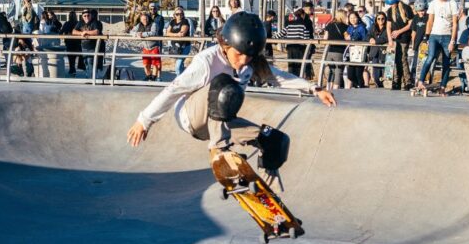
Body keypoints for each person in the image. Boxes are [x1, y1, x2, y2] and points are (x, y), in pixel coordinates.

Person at [126, 13, 336, 176]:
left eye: (249, 56)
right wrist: (144, 121)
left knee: (275, 142)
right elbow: (174, 90)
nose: (244, 60)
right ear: (226, 45)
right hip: (191, 117)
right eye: (239, 53)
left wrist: (314, 89)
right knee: (224, 86)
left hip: (220, 123)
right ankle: (219, 151)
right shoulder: (207, 61)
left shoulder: (251, 64)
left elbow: (278, 77)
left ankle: (267, 191)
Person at [418, 0, 459, 91]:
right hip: (434, 35)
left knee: (446, 62)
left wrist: (452, 41)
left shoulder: (452, 3)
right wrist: (426, 36)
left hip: (447, 36)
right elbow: (430, 21)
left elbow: (455, 24)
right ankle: (421, 81)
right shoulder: (433, 3)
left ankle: (443, 86)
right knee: (430, 57)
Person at [384, 0, 414, 90]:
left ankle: (407, 81)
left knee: (403, 59)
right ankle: (397, 80)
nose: (392, 5)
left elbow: (410, 24)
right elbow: (388, 26)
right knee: (394, 60)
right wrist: (390, 39)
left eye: (392, 3)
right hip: (394, 38)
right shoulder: (389, 11)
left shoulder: (406, 8)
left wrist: (399, 32)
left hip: (404, 37)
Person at [278, 7, 313, 77]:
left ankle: (292, 79)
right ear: (302, 15)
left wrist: (271, 39)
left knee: (291, 66)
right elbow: (306, 38)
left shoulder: (289, 24)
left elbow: (280, 34)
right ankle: (299, 80)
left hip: (290, 47)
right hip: (300, 48)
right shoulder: (304, 24)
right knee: (299, 66)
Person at [322, 9, 350, 89]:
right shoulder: (345, 27)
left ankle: (328, 88)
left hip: (329, 51)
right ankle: (335, 89)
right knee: (338, 72)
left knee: (331, 71)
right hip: (340, 51)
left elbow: (325, 38)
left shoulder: (330, 25)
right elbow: (347, 39)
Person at [132, 11, 162, 80]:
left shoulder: (153, 24)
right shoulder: (139, 25)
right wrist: (136, 34)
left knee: (155, 63)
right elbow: (132, 31)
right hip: (145, 48)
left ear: (148, 18)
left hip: (154, 47)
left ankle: (154, 77)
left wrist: (142, 34)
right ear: (140, 20)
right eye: (143, 19)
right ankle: (149, 76)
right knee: (146, 64)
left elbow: (153, 33)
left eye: (146, 19)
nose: (145, 21)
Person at [344, 10, 369, 89]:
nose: (353, 19)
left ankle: (361, 87)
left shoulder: (362, 27)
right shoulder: (350, 27)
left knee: (358, 73)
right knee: (350, 75)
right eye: (351, 18)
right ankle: (358, 85)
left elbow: (364, 38)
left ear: (358, 18)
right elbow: (345, 34)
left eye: (354, 17)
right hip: (351, 52)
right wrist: (346, 35)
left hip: (359, 52)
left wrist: (352, 37)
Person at [165, 6, 192, 75]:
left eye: (181, 14)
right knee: (180, 65)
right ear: (174, 15)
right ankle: (184, 80)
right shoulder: (172, 21)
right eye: (177, 14)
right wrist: (177, 34)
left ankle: (178, 82)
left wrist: (173, 34)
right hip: (176, 47)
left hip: (185, 46)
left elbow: (182, 33)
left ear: (183, 14)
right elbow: (167, 33)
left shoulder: (185, 21)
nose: (179, 15)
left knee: (178, 66)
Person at [367, 12, 389, 88]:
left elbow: (387, 38)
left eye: (382, 18)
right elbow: (368, 35)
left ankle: (383, 85)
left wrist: (376, 41)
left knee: (383, 71)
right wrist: (370, 38)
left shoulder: (388, 27)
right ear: (376, 19)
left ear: (385, 19)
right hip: (375, 52)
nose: (380, 20)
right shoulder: (373, 26)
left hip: (384, 52)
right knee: (376, 73)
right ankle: (378, 85)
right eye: (378, 19)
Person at [409, 0, 430, 78]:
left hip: (425, 43)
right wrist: (413, 43)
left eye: (423, 10)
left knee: (424, 60)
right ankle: (414, 77)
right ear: (417, 11)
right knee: (415, 61)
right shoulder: (415, 18)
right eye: (420, 11)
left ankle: (424, 77)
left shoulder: (428, 17)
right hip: (417, 43)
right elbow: (413, 32)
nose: (422, 13)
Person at [61, 10, 82, 75]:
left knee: (70, 57)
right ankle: (72, 69)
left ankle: (72, 69)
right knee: (74, 56)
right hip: (76, 42)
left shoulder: (67, 23)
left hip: (69, 42)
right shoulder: (78, 23)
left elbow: (61, 32)